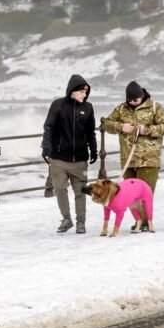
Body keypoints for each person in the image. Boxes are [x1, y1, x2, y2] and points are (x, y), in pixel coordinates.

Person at [41, 74, 98, 234]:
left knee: (81, 191)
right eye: (82, 92)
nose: (84, 95)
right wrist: (45, 147)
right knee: (60, 189)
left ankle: (81, 223)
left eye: (86, 92)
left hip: (80, 159)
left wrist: (93, 150)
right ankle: (66, 219)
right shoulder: (57, 105)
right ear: (73, 90)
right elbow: (49, 127)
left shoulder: (88, 108)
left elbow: (90, 132)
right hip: (58, 158)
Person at [101, 81, 164, 195]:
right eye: (130, 100)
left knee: (144, 199)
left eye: (136, 100)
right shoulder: (121, 109)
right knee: (131, 200)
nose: (132, 103)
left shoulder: (155, 107)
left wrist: (146, 130)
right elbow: (106, 123)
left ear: (142, 96)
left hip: (148, 161)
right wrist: (120, 127)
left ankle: (146, 214)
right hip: (128, 161)